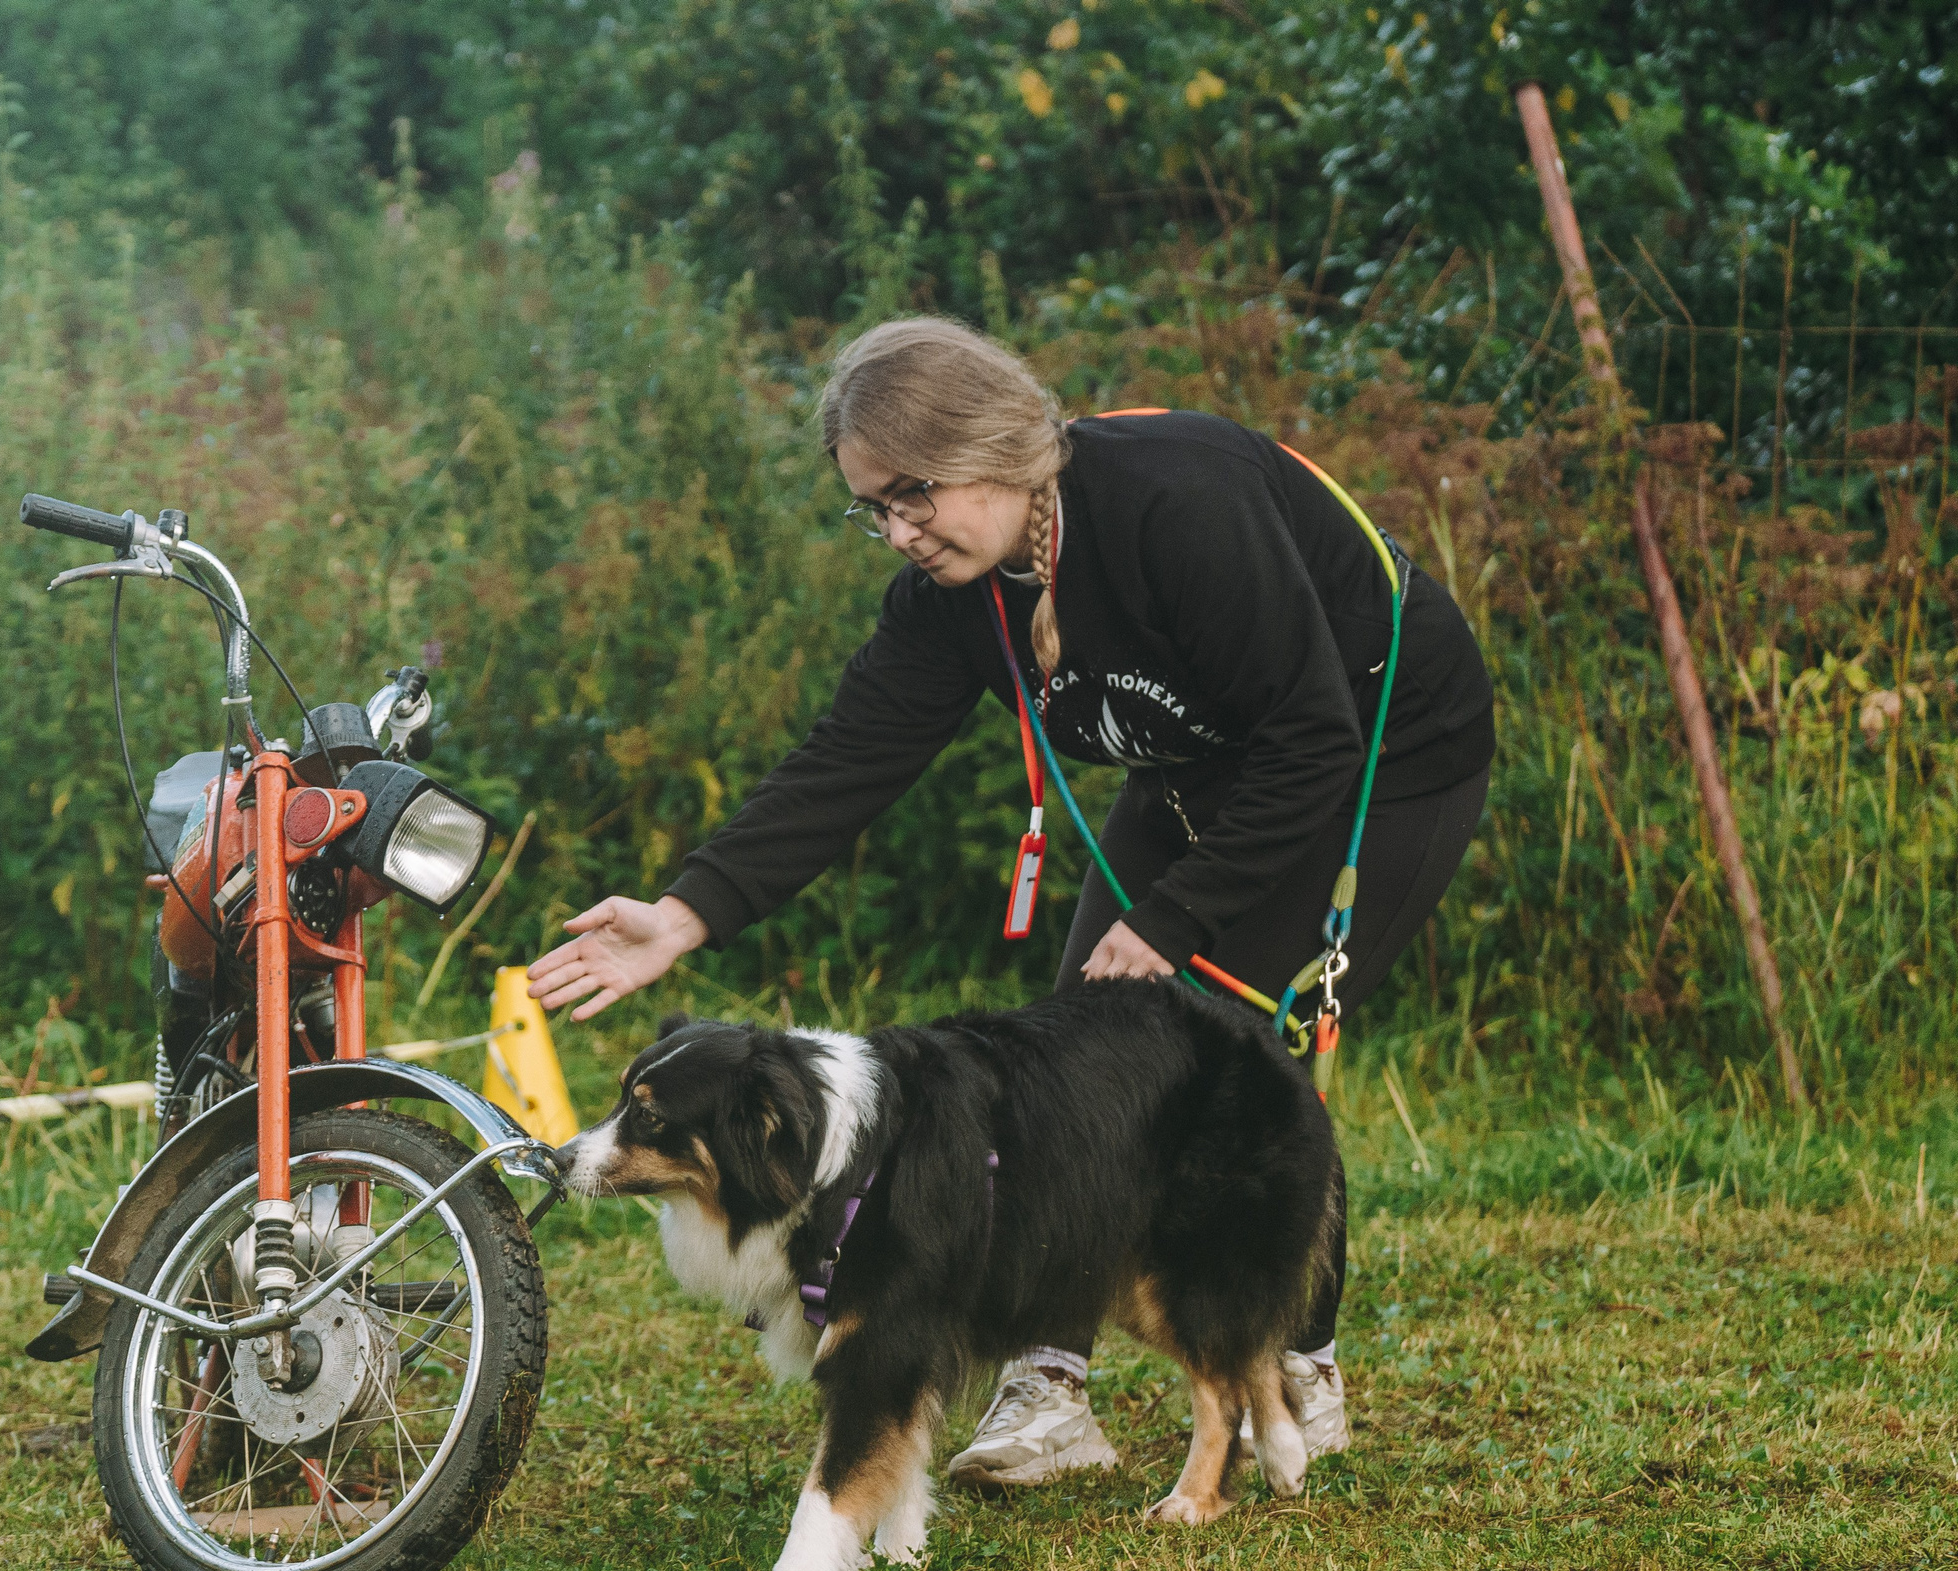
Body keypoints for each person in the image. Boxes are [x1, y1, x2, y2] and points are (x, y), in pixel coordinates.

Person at [527, 317, 1492, 1489]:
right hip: (1198, 767)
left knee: (1238, 1055)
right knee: (1077, 1048)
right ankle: (1051, 1389)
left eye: (910, 495)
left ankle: (1295, 1366)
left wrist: (1174, 919)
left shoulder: (1179, 505)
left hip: (1378, 755)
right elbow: (848, 761)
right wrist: (683, 915)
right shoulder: (955, 595)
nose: (896, 530)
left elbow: (1309, 738)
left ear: (993, 448)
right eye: (871, 508)